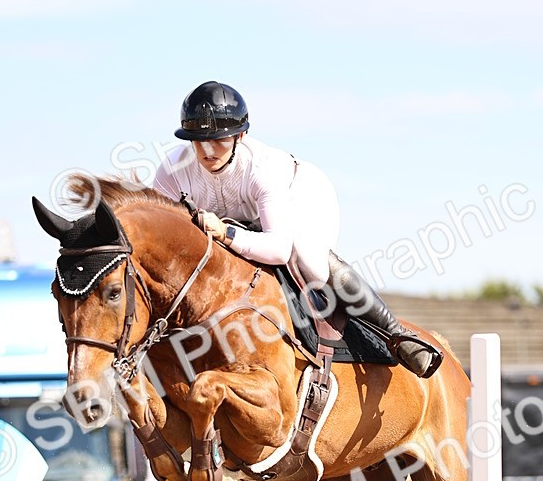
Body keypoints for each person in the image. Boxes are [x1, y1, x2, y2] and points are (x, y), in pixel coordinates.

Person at [152, 81, 442, 378]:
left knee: (308, 257)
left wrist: (226, 233)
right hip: (239, 219)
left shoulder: (263, 169)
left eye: (219, 140)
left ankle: (397, 336)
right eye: (198, 140)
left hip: (302, 199)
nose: (207, 150)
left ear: (240, 135)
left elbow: (279, 249)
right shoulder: (171, 171)